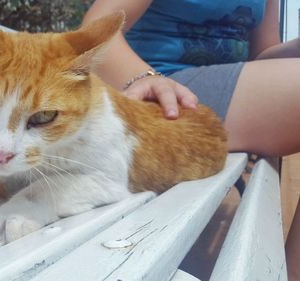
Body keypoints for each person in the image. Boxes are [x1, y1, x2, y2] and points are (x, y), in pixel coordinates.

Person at [81, 0, 300, 280]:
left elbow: (262, 54)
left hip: (217, 92)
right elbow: (96, 29)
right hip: (160, 92)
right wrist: (146, 78)